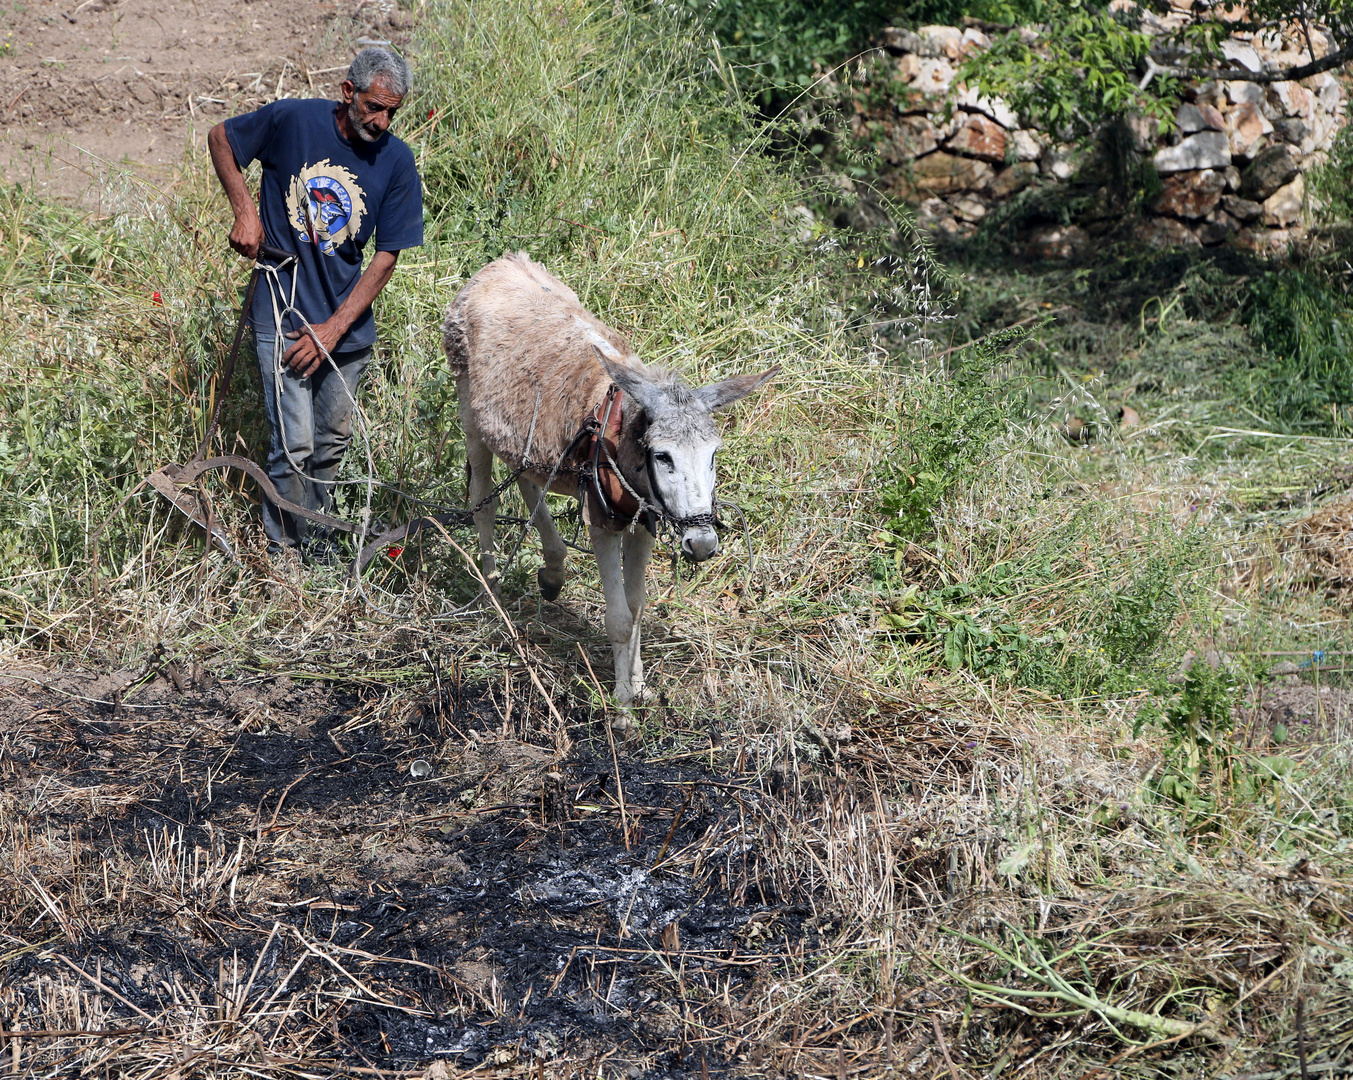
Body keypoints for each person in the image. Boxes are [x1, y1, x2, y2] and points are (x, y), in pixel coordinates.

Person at [207, 47, 423, 561]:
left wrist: (334, 329)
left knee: (330, 444)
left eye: (392, 111)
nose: (382, 120)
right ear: (348, 92)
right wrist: (246, 212)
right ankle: (282, 560)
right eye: (374, 106)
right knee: (295, 446)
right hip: (281, 310)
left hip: (344, 331)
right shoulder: (293, 120)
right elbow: (221, 138)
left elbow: (386, 257)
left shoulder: (396, 161)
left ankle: (318, 547)